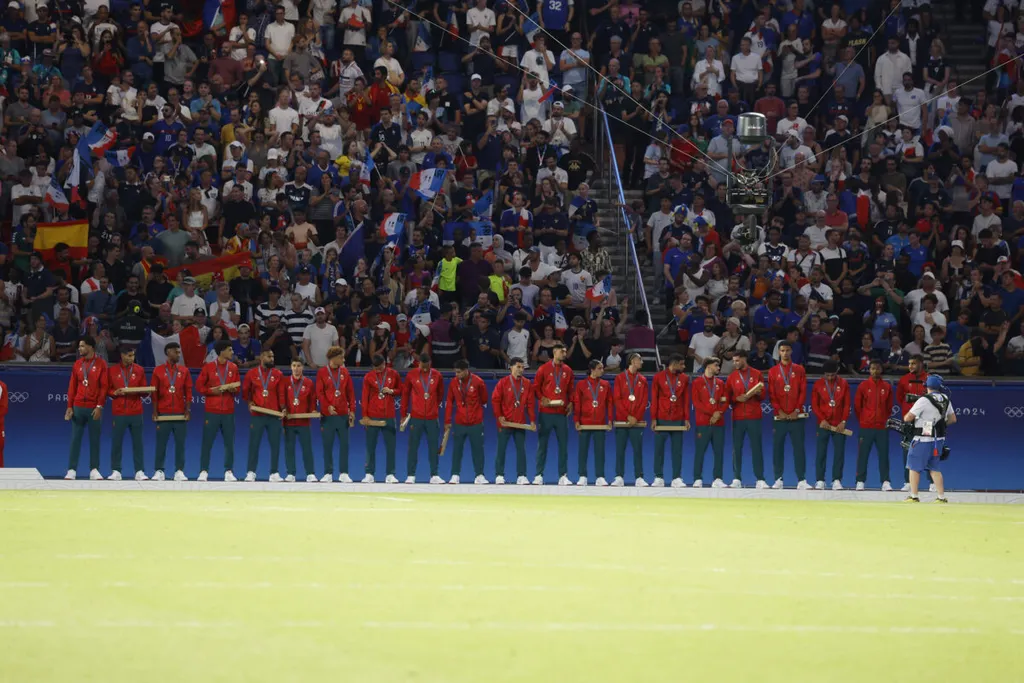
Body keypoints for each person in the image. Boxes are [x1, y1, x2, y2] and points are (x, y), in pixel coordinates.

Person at [902, 375, 954, 503]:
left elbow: (908, 418)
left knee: (914, 467)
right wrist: (938, 426)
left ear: (927, 386)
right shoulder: (946, 398)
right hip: (938, 440)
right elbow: (952, 419)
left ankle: (914, 496)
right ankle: (941, 497)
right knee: (934, 468)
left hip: (922, 439)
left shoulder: (923, 400)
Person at [767, 340, 810, 489]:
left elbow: (803, 391)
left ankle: (801, 480)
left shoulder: (799, 370)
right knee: (777, 448)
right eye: (782, 351)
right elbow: (772, 394)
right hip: (780, 418)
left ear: (791, 352)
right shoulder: (773, 371)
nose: (785, 353)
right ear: (779, 352)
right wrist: (779, 410)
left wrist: (796, 410)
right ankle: (778, 479)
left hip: (796, 418)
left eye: (787, 350)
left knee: (799, 448)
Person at [196, 340, 241, 482]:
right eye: (230, 349)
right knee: (207, 442)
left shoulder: (233, 367)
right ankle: (203, 471)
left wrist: (234, 389)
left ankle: (229, 471)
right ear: (222, 351)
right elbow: (199, 387)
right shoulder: (208, 367)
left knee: (229, 443)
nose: (232, 352)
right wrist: (212, 391)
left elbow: (238, 388)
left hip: (228, 411)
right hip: (212, 410)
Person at [64, 335, 109, 480]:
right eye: (79, 346)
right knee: (75, 439)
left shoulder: (101, 364)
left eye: (82, 346)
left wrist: (100, 406)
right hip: (78, 407)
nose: (80, 348)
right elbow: (72, 387)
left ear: (90, 347)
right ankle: (71, 469)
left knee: (95, 440)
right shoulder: (77, 364)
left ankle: (94, 469)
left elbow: (104, 387)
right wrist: (69, 406)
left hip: (93, 408)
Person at [533, 340, 575, 485]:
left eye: (565, 351)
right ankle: (538, 475)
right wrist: (541, 397)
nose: (564, 354)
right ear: (554, 352)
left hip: (561, 413)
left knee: (563, 445)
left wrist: (571, 403)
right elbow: (536, 388)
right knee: (542, 444)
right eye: (561, 351)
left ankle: (563, 475)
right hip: (546, 412)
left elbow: (571, 390)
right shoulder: (543, 369)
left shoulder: (568, 370)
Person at [151, 342, 192, 482]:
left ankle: (179, 471)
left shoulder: (184, 371)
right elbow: (154, 393)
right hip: (163, 413)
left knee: (180, 444)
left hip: (180, 413)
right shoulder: (158, 370)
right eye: (176, 352)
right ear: (168, 352)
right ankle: (159, 471)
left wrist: (188, 409)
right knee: (161, 444)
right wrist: (155, 411)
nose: (178, 355)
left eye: (179, 352)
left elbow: (188, 391)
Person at [243, 347, 286, 482]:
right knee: (254, 444)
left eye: (272, 357)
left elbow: (281, 393)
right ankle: (251, 472)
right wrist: (249, 403)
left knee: (275, 445)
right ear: (261, 357)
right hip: (258, 414)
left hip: (274, 415)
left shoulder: (278, 374)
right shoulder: (252, 373)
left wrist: (283, 408)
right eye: (269, 356)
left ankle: (274, 472)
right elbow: (246, 391)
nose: (272, 359)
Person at [402, 352, 445, 484]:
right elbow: (405, 395)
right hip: (416, 417)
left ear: (430, 363)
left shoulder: (437, 375)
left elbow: (440, 395)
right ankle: (410, 475)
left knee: (433, 447)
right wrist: (403, 414)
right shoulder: (412, 374)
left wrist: (433, 408)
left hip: (432, 418)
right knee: (413, 447)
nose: (425, 368)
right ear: (418, 363)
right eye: (422, 365)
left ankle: (434, 475)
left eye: (427, 365)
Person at [492, 357, 536, 485]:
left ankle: (521, 475)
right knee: (501, 449)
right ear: (510, 367)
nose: (521, 370)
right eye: (518, 367)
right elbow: (495, 400)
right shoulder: (503, 382)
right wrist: (499, 416)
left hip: (520, 423)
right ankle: (499, 475)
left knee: (521, 450)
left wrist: (532, 420)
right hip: (505, 423)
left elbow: (530, 403)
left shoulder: (527, 383)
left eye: (522, 367)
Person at [106, 346, 148, 482]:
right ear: (122, 356)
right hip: (119, 412)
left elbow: (144, 390)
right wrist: (115, 393)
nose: (132, 358)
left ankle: (139, 471)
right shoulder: (112, 370)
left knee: (138, 443)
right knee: (116, 443)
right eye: (129, 355)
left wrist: (144, 391)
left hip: (136, 411)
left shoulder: (139, 370)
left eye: (133, 355)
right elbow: (107, 389)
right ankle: (116, 470)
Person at [444, 360, 489, 484]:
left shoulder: (478, 382)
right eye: (455, 372)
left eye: (459, 372)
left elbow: (484, 399)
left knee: (478, 450)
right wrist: (447, 421)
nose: (456, 375)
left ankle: (479, 475)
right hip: (460, 422)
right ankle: (455, 475)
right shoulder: (453, 383)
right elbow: (449, 402)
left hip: (475, 423)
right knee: (457, 450)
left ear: (465, 370)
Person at [726, 351, 767, 488]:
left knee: (757, 448)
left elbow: (763, 396)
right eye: (734, 361)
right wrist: (735, 398)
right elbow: (727, 398)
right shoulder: (732, 377)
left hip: (754, 416)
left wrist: (759, 393)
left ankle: (760, 479)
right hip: (737, 417)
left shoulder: (756, 374)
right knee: (736, 448)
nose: (735, 363)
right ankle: (736, 478)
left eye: (737, 360)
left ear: (744, 359)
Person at [316, 346, 357, 482]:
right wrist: (327, 407)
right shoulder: (322, 372)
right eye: (341, 357)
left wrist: (352, 410)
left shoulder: (345, 372)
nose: (343, 359)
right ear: (333, 358)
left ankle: (344, 473)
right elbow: (320, 393)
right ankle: (328, 473)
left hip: (342, 414)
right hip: (328, 416)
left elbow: (350, 393)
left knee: (345, 444)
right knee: (328, 445)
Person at [854, 358, 894, 491]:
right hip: (866, 427)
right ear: (869, 370)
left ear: (881, 369)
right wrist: (865, 420)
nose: (875, 371)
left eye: (877, 368)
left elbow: (889, 408)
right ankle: (860, 481)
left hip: (882, 427)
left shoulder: (887, 386)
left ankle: (885, 481)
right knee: (863, 455)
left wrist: (882, 420)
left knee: (883, 455)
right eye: (872, 368)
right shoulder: (863, 386)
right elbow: (858, 407)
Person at [650, 353, 690, 487]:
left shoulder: (684, 378)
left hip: (678, 419)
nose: (684, 367)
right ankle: (658, 477)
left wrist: (686, 418)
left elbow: (686, 400)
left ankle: (676, 478)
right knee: (659, 449)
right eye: (682, 364)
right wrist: (654, 418)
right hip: (662, 418)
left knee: (677, 450)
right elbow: (654, 398)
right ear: (674, 364)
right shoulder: (658, 377)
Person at [361, 354, 401, 483]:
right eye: (375, 368)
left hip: (389, 416)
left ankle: (390, 474)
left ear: (385, 363)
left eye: (380, 367)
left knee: (391, 447)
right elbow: (365, 397)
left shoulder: (394, 374)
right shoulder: (369, 377)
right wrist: (365, 415)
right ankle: (369, 474)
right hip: (373, 415)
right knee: (370, 446)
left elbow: (401, 389)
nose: (378, 370)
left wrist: (391, 391)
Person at [810, 360, 850, 490]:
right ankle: (820, 480)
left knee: (839, 453)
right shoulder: (818, 384)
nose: (830, 377)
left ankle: (836, 480)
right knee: (821, 453)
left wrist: (843, 421)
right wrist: (821, 419)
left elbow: (846, 404)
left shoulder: (843, 384)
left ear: (837, 372)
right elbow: (815, 405)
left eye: (832, 375)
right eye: (827, 375)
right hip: (823, 424)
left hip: (838, 425)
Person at [691, 356, 729, 488]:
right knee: (700, 451)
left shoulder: (720, 383)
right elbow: (697, 402)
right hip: (703, 422)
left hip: (718, 423)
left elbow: (724, 401)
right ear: (708, 366)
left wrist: (719, 412)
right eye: (716, 365)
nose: (718, 368)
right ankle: (697, 478)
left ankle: (718, 478)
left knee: (719, 451)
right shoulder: (697, 382)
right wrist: (712, 412)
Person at [574, 359, 612, 486]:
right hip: (585, 422)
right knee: (583, 450)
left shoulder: (606, 384)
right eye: (600, 368)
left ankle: (600, 476)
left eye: (602, 368)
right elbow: (577, 404)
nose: (602, 370)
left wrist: (610, 420)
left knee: (600, 451)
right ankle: (582, 476)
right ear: (592, 369)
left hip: (600, 423)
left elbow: (609, 404)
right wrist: (576, 420)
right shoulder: (581, 384)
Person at [612, 353, 648, 486]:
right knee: (620, 449)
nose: (642, 362)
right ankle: (619, 476)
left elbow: (644, 401)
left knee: (637, 449)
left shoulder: (642, 380)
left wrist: (636, 417)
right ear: (632, 361)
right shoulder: (620, 378)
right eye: (640, 360)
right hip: (622, 420)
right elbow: (617, 399)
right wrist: (627, 416)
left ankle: (639, 477)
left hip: (636, 422)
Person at [896, 354, 929, 491]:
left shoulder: (929, 379)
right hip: (909, 421)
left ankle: (932, 482)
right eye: (909, 363)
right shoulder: (904, 380)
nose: (911, 366)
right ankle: (908, 482)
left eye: (914, 363)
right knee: (907, 450)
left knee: (928, 450)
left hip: (927, 422)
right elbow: (900, 398)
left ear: (921, 363)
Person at [283, 359, 317, 482]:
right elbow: (282, 400)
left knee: (307, 448)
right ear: (290, 367)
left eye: (298, 366)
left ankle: (310, 473)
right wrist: (283, 410)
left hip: (304, 421)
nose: (296, 368)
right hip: (289, 421)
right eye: (294, 366)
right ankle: (291, 473)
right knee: (289, 448)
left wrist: (313, 410)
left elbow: (312, 400)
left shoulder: (308, 383)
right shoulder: (285, 382)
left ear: (302, 367)